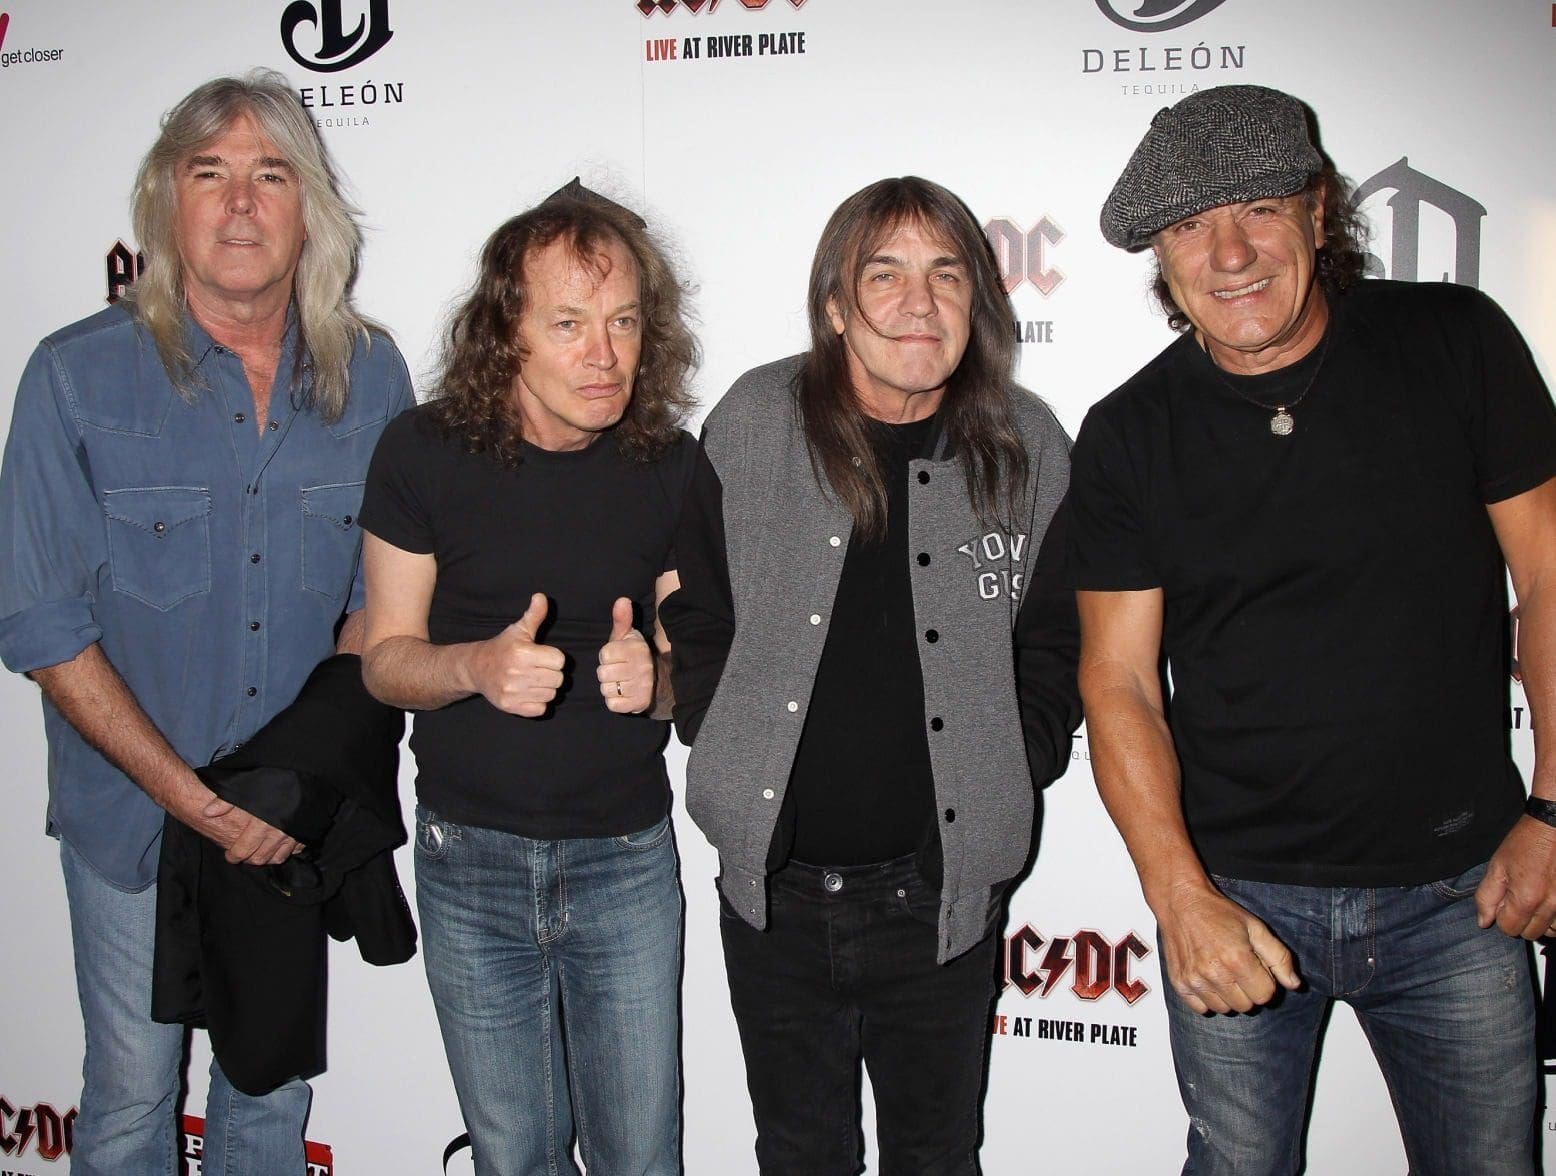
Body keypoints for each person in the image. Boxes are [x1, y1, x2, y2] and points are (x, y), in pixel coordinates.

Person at [1070, 83, 1556, 1174]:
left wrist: (1555, 809)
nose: (1229, 253)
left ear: (1319, 209)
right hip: (1234, 896)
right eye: (1190, 225)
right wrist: (1179, 899)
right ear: (1160, 256)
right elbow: (1118, 683)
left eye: (1258, 208)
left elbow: (1548, 576)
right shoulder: (1126, 434)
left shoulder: (1455, 343)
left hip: (1461, 894)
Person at [0, 70, 412, 1175]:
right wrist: (198, 804)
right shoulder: (74, 377)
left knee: (269, 1097)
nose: (239, 204)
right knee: (131, 1100)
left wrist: (290, 789)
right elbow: (41, 627)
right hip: (132, 825)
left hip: (286, 823)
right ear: (164, 201)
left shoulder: (372, 376)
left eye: (269, 175)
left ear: (308, 208)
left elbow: (383, 605)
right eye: (209, 173)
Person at [663, 175, 1080, 1175]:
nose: (918, 301)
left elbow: (1059, 644)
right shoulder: (755, 420)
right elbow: (698, 613)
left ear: (978, 300)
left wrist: (1011, 758)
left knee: (937, 1156)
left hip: (938, 897)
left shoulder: (1025, 444)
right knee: (798, 1155)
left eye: (946, 273)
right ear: (835, 306)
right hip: (772, 892)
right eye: (884, 273)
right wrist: (724, 738)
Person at [357, 181, 698, 1176]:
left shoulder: (669, 465)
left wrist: (657, 680)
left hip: (624, 860)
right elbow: (384, 659)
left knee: (642, 1157)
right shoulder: (420, 453)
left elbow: (694, 669)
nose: (605, 355)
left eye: (623, 322)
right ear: (506, 333)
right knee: (513, 1158)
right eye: (569, 323)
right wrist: (475, 665)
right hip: (467, 862)